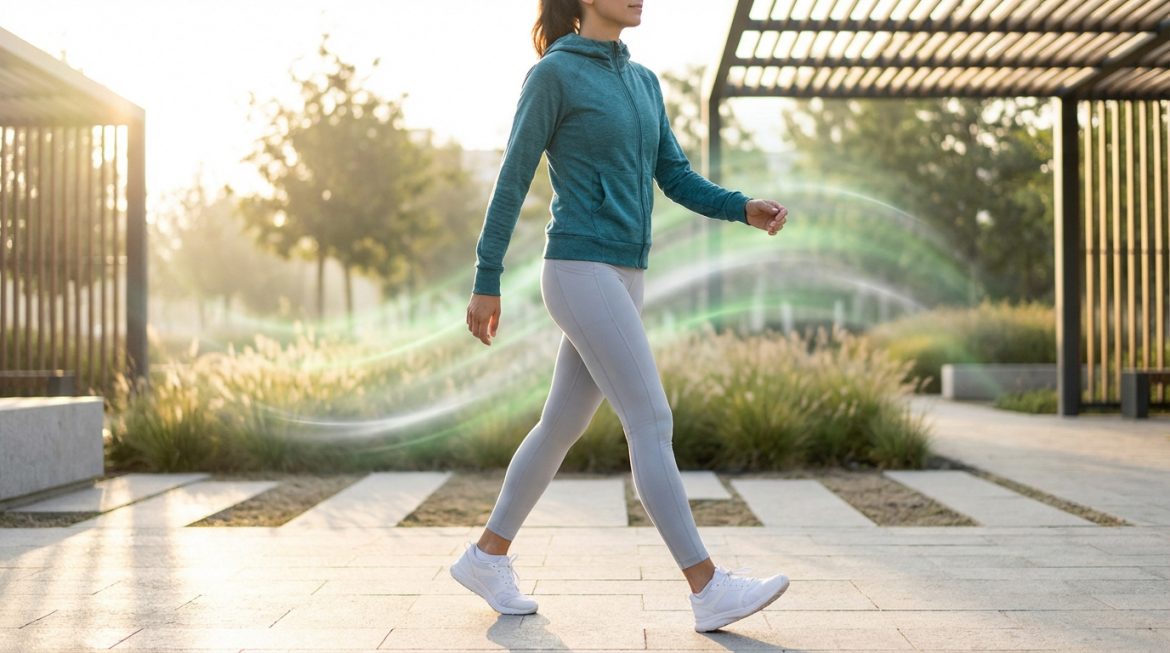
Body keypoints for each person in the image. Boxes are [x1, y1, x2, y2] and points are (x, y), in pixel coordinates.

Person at [449, 0, 789, 633]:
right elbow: (513, 178)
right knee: (651, 417)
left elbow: (676, 175)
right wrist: (486, 278)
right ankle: (707, 586)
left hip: (625, 275)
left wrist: (741, 207)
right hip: (580, 268)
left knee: (558, 427)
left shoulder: (643, 81)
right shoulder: (554, 75)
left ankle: (486, 555)